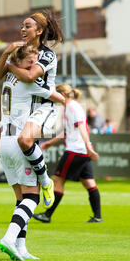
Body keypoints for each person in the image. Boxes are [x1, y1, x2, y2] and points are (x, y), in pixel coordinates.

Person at [0, 10, 64, 209]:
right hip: (16, 112)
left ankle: (45, 180)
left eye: (27, 26)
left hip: (41, 107)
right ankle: (20, 236)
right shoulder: (18, 52)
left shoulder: (47, 54)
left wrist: (10, 65)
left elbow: (30, 76)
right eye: (22, 26)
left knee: (24, 140)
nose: (22, 29)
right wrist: (6, 52)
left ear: (39, 30)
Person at [0, 46, 64, 261]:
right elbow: (56, 96)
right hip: (18, 144)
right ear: (22, 61)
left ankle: (20, 247)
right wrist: (68, 101)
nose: (35, 67)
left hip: (4, 142)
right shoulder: (28, 81)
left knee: (21, 199)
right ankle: (8, 238)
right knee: (32, 198)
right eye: (32, 61)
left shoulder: (9, 78)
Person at [33, 83, 103, 224]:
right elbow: (68, 131)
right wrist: (50, 143)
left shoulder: (72, 107)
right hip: (81, 151)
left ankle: (47, 215)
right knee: (89, 183)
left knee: (58, 180)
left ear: (62, 95)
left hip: (75, 150)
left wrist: (88, 146)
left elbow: (82, 127)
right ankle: (97, 217)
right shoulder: (70, 107)